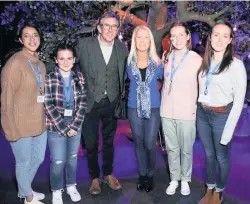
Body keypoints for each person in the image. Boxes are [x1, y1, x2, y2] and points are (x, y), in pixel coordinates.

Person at [75, 12, 128, 195]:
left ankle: (107, 173)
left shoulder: (122, 48)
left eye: (114, 26)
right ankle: (94, 177)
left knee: (109, 141)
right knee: (90, 143)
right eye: (106, 25)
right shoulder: (84, 45)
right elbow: (67, 65)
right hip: (90, 102)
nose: (110, 29)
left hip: (112, 101)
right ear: (99, 27)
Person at [197, 20, 247, 204]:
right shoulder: (205, 62)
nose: (219, 39)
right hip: (203, 115)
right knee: (208, 155)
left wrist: (228, 131)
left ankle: (219, 191)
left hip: (222, 116)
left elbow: (239, 102)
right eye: (216, 34)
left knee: (221, 156)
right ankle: (209, 189)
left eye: (224, 36)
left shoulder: (236, 65)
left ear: (230, 40)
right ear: (209, 38)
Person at [1, 24, 47, 204]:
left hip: (39, 122)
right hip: (19, 123)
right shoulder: (15, 63)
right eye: (26, 36)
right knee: (23, 162)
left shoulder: (40, 64)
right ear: (20, 40)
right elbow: (6, 99)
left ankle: (25, 189)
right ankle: (28, 197)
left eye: (35, 35)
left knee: (39, 158)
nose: (32, 39)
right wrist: (9, 127)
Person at [160, 21, 202, 196]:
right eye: (173, 35)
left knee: (186, 149)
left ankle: (185, 179)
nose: (176, 39)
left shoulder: (196, 59)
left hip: (187, 112)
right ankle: (174, 178)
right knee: (171, 148)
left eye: (180, 35)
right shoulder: (166, 57)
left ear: (187, 37)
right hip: (167, 111)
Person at [44, 44, 87, 204]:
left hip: (75, 122)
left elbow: (83, 102)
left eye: (69, 58)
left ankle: (71, 185)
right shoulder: (49, 78)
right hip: (55, 124)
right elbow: (47, 104)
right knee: (58, 160)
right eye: (61, 58)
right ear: (56, 60)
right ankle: (56, 189)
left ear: (74, 59)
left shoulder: (79, 77)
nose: (66, 61)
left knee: (73, 157)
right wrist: (63, 127)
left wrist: (74, 126)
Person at [126, 25, 162, 192]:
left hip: (154, 107)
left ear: (150, 41)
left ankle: (151, 173)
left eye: (145, 37)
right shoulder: (128, 62)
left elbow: (168, 81)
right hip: (133, 107)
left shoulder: (158, 63)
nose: (142, 41)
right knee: (139, 142)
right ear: (134, 40)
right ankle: (143, 175)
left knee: (149, 143)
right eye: (138, 37)